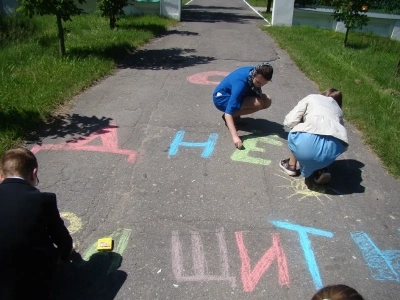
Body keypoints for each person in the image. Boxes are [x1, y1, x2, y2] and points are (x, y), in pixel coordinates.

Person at [0, 148, 73, 299]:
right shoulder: (43, 200)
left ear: (1, 176)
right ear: (34, 173)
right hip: (28, 282)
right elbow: (61, 238)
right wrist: (65, 256)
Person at [280, 88, 348, 186]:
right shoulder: (338, 110)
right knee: (327, 140)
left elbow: (289, 121)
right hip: (331, 151)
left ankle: (291, 166)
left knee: (296, 127)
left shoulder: (312, 98)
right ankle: (321, 169)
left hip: (307, 143)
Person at [213, 62, 273, 148]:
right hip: (221, 98)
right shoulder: (240, 84)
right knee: (258, 103)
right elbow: (228, 113)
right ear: (255, 74)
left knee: (267, 100)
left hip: (236, 94)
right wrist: (235, 137)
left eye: (264, 83)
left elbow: (255, 89)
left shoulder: (254, 72)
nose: (260, 85)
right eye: (258, 82)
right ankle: (232, 117)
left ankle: (236, 116)